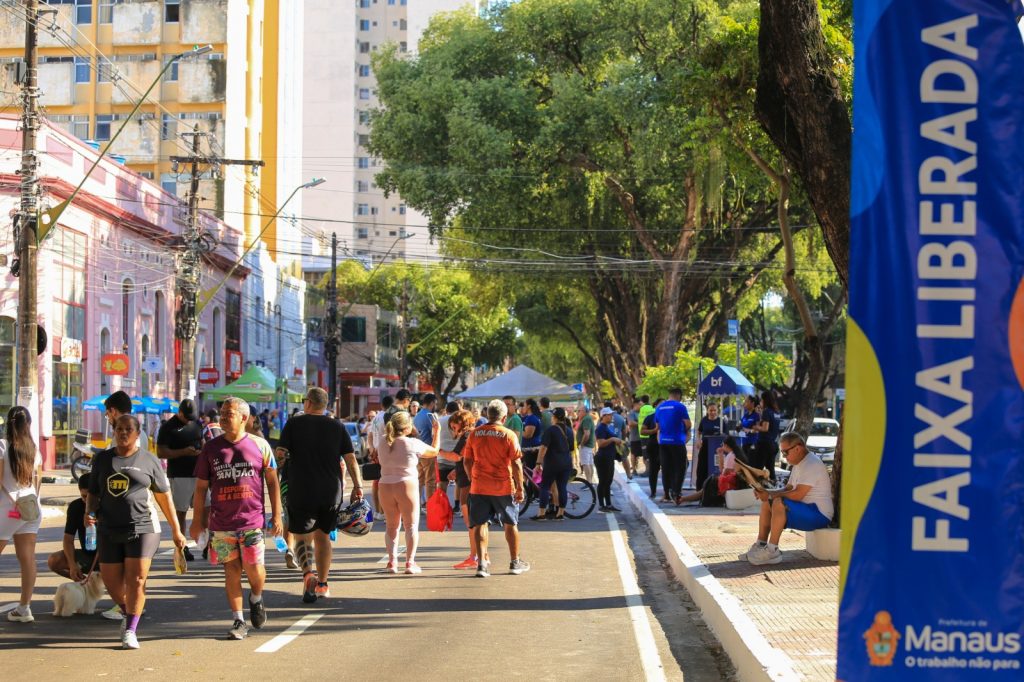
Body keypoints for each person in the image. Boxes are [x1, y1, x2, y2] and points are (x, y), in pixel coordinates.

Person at [87, 415, 185, 649]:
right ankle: (129, 610)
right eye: (119, 429)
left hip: (143, 527)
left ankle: (130, 628)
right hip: (108, 527)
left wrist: (176, 530)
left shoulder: (148, 460)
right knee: (111, 583)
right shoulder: (102, 459)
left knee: (137, 579)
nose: (122, 433)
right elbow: (93, 492)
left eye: (128, 429)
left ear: (137, 432)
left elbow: (164, 496)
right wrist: (88, 512)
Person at [191, 398, 283, 640]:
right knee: (231, 570)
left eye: (228, 413)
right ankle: (238, 620)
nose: (222, 417)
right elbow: (200, 488)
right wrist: (197, 521)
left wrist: (277, 516)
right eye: (221, 413)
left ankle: (256, 597)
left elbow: (273, 481)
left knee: (254, 569)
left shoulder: (260, 445)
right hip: (221, 524)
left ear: (244, 418)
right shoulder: (210, 449)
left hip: (252, 521)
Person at [276, 387, 362, 603]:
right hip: (330, 490)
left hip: (300, 488)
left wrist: (277, 473)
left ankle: (307, 574)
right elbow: (351, 459)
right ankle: (323, 584)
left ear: (308, 403)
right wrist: (358, 486)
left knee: (302, 536)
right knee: (323, 537)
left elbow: (281, 454)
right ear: (323, 405)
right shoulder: (337, 426)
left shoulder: (294, 424)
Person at [741, 433, 834, 566]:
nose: (784, 456)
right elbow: (788, 489)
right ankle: (760, 545)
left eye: (785, 452)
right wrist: (766, 492)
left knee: (779, 502)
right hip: (807, 510)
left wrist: (770, 495)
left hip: (819, 515)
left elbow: (797, 495)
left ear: (798, 448)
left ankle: (772, 551)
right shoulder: (799, 464)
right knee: (768, 502)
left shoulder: (811, 464)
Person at [461, 399, 530, 577]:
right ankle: (515, 562)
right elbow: (516, 463)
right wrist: (520, 487)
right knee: (510, 523)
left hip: (479, 486)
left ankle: (482, 564)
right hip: (503, 487)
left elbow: (467, 460)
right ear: (504, 417)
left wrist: (471, 477)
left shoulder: (475, 434)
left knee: (480, 524)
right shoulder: (508, 435)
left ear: (487, 415)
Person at [376, 411, 442, 574]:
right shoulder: (412, 443)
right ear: (406, 427)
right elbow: (434, 451)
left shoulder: (383, 441)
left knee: (391, 526)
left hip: (385, 485)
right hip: (406, 485)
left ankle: (392, 562)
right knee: (411, 525)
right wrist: (437, 431)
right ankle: (410, 563)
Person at [0, 406, 42, 623]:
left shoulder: (2, 446)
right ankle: (24, 607)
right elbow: (38, 481)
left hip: (7, 508)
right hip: (31, 507)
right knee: (28, 559)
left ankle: (24, 609)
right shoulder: (35, 449)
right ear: (29, 425)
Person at [156, 398, 203, 562]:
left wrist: (202, 451)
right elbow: (161, 452)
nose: (189, 420)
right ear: (179, 412)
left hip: (199, 474)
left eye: (192, 417)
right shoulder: (168, 427)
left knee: (208, 508)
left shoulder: (197, 423)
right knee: (181, 513)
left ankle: (206, 544)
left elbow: (202, 441)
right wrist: (184, 452)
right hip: (180, 475)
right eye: (186, 417)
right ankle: (182, 548)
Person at [445, 410, 482, 569]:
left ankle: (475, 556)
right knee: (474, 523)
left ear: (463, 422)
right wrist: (456, 469)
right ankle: (479, 555)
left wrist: (435, 452)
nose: (452, 427)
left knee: (471, 524)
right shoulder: (470, 435)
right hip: (468, 481)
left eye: (455, 423)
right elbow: (464, 458)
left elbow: (456, 456)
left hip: (468, 483)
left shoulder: (467, 435)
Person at [47, 473, 98, 583]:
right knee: (54, 560)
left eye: (90, 496)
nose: (87, 500)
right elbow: (68, 539)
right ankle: (84, 582)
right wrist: (72, 565)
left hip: (109, 556)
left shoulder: (107, 505)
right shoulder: (75, 507)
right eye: (84, 496)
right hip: (87, 555)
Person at [532, 408, 575, 521]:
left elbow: (543, 448)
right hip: (566, 463)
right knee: (562, 488)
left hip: (552, 463)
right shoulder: (569, 431)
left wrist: (538, 463)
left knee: (545, 487)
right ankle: (560, 513)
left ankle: (541, 513)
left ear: (555, 417)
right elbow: (571, 449)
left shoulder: (550, 430)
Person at [675, 436, 744, 506]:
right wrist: (720, 455)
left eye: (722, 445)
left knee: (705, 488)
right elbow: (724, 471)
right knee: (704, 490)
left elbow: (724, 472)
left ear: (726, 445)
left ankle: (682, 499)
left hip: (730, 483)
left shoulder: (730, 456)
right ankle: (682, 499)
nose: (722, 447)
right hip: (734, 482)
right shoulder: (736, 454)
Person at [655, 388, 692, 505]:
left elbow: (658, 426)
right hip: (677, 441)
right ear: (679, 396)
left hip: (663, 442)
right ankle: (676, 493)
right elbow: (688, 423)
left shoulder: (659, 407)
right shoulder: (680, 407)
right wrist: (684, 430)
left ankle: (666, 494)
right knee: (680, 467)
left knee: (666, 468)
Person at [413, 393, 441, 504]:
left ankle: (417, 504)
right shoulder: (430, 416)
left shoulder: (417, 415)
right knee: (430, 481)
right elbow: (435, 434)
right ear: (432, 403)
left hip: (417, 451)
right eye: (435, 403)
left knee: (419, 480)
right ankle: (431, 505)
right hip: (428, 451)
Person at [594, 408, 622, 513]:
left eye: (611, 414)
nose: (611, 416)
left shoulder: (607, 427)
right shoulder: (600, 428)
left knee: (608, 482)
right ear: (604, 416)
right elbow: (600, 443)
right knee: (603, 482)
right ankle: (601, 506)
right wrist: (613, 439)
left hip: (609, 457)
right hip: (602, 458)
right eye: (609, 415)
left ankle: (609, 504)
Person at [694, 402, 725, 492]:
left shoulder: (721, 421)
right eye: (710, 410)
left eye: (714, 410)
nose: (712, 412)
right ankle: (699, 489)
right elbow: (699, 432)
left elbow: (726, 434)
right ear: (707, 411)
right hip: (705, 447)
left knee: (715, 469)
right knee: (701, 469)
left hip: (717, 449)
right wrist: (698, 440)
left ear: (717, 411)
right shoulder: (704, 420)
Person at [755, 391, 781, 482]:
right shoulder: (776, 412)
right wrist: (760, 414)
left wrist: (755, 427)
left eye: (761, 399)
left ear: (765, 400)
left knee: (757, 468)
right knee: (771, 469)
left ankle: (755, 490)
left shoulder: (767, 411)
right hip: (773, 444)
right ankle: (774, 488)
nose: (760, 402)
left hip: (764, 444)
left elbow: (765, 428)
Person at [641, 399, 662, 499]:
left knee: (667, 470)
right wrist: (654, 430)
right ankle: (653, 491)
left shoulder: (669, 417)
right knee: (653, 470)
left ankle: (668, 492)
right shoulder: (650, 418)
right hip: (653, 446)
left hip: (666, 446)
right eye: (660, 404)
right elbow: (643, 431)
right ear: (655, 406)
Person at [575, 405, 596, 483]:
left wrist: (582, 444)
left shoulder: (586, 419)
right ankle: (590, 481)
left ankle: (589, 482)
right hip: (588, 445)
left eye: (579, 411)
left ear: (584, 411)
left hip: (585, 445)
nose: (578, 413)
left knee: (585, 463)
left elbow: (586, 433)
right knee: (589, 463)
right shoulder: (587, 418)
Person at [739, 394, 762, 467]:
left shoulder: (757, 415)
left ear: (752, 403)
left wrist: (749, 430)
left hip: (753, 443)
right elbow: (742, 426)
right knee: (744, 464)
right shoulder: (745, 415)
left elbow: (758, 430)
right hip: (744, 443)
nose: (744, 403)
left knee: (751, 464)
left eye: (746, 401)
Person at [520, 399, 543, 469]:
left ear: (529, 406)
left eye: (524, 405)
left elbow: (528, 435)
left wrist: (516, 431)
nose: (523, 407)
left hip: (531, 450)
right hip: (529, 449)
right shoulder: (529, 417)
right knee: (528, 472)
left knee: (530, 472)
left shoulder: (531, 418)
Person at [626, 399, 644, 480]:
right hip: (635, 437)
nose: (641, 406)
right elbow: (630, 423)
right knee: (634, 453)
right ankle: (634, 469)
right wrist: (641, 424)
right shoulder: (631, 413)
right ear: (635, 405)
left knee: (644, 453)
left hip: (643, 436)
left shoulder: (642, 412)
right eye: (640, 404)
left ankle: (645, 469)